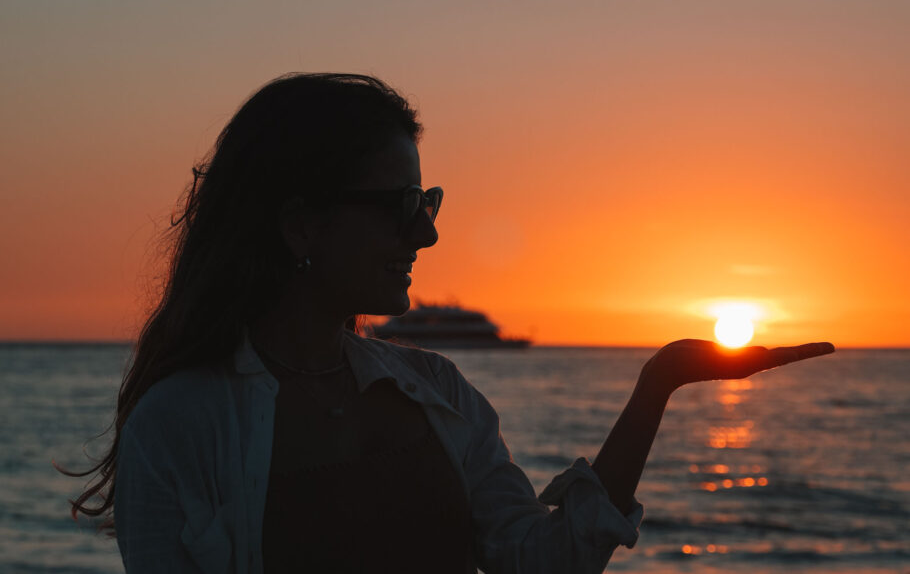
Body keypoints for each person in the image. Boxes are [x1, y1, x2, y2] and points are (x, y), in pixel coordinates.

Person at [61, 73, 835, 573]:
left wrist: (657, 384)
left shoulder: (434, 391)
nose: (425, 235)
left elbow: (545, 560)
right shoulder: (183, 424)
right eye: (402, 209)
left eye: (428, 205)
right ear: (302, 227)